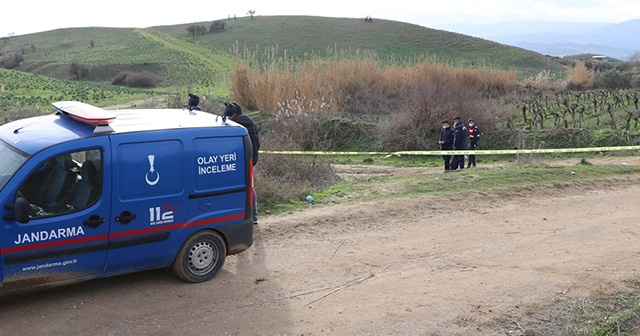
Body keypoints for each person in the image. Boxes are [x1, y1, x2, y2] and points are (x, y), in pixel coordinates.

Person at [224, 102, 260, 224]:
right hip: (251, 159)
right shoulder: (250, 123)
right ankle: (253, 215)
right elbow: (257, 143)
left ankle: (238, 214)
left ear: (232, 113)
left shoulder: (235, 126)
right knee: (250, 186)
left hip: (240, 160)